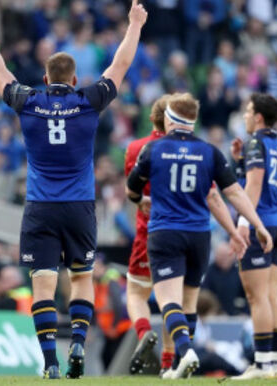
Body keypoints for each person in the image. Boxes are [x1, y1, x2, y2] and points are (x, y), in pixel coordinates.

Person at [0, 0, 147, 379]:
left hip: (40, 207)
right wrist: (134, 25)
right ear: (74, 80)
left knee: (43, 285)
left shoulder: (29, 102)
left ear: (46, 79)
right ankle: (79, 344)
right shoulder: (88, 100)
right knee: (82, 278)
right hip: (80, 206)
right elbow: (121, 64)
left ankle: (51, 361)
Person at [126, 92, 271, 380]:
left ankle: (185, 350)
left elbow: (132, 189)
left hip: (166, 232)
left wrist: (139, 199)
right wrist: (255, 226)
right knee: (189, 302)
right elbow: (231, 194)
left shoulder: (153, 150)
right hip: (200, 236)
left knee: (168, 301)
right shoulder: (210, 152)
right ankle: (177, 366)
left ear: (169, 120)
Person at [230, 93, 277, 380]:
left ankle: (262, 364)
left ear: (258, 117)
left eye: (248, 111)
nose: (244, 115)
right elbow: (256, 181)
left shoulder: (256, 142)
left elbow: (253, 187)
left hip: (259, 225)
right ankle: (276, 363)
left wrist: (243, 223)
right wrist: (239, 162)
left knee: (257, 297)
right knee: (271, 295)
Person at [123, 94, 176, 375]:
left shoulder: (135, 148)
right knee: (173, 299)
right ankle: (168, 363)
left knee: (135, 292)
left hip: (148, 231)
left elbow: (131, 189)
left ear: (152, 118)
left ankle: (144, 332)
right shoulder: (189, 149)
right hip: (181, 231)